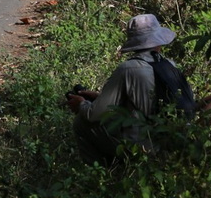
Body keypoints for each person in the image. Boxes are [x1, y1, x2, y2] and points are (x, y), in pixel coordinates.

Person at [66, 13, 185, 165]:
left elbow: (94, 114)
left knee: (82, 123)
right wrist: (99, 97)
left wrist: (82, 104)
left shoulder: (128, 69)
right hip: (171, 144)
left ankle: (100, 174)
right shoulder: (171, 66)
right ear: (159, 41)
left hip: (142, 147)